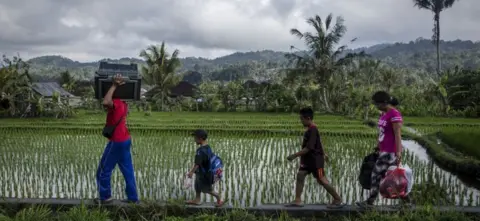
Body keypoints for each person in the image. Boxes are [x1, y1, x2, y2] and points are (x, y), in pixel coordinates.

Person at [356, 91, 410, 208]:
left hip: (390, 152)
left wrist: (398, 153)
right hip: (383, 150)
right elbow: (382, 132)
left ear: (385, 103)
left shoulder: (394, 114)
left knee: (375, 175)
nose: (376, 106)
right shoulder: (383, 114)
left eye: (377, 104)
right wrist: (378, 146)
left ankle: (370, 201)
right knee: (391, 179)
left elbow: (397, 134)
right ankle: (407, 201)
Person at [286, 107, 344, 208]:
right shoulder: (310, 129)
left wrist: (294, 155)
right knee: (300, 175)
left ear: (308, 118)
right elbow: (319, 141)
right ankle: (297, 200)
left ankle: (337, 199)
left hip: (316, 161)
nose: (301, 121)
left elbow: (308, 148)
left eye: (302, 119)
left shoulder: (313, 129)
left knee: (321, 179)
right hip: (307, 160)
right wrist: (324, 152)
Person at [95, 74, 139, 204]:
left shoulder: (118, 103)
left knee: (103, 171)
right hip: (125, 140)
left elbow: (105, 102)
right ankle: (133, 198)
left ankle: (105, 197)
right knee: (128, 170)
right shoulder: (124, 103)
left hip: (117, 141)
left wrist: (114, 85)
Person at [186, 129, 224, 207]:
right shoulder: (207, 147)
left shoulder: (200, 151)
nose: (194, 139)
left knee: (207, 189)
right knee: (197, 186)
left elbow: (197, 164)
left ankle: (219, 198)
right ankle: (197, 200)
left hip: (204, 174)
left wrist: (191, 172)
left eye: (195, 138)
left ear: (200, 138)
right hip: (201, 172)